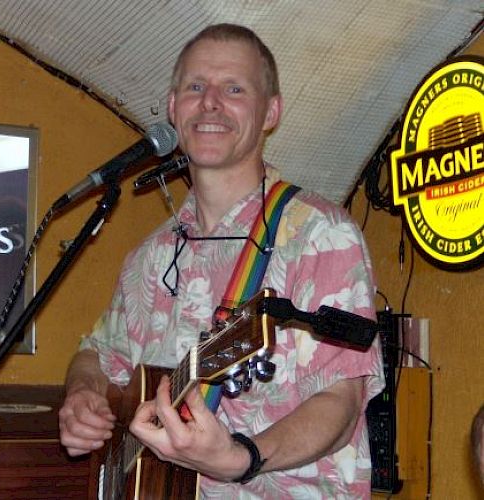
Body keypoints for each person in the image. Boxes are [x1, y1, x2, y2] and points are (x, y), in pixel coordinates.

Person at [59, 23, 384, 498]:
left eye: (234, 88)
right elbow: (95, 352)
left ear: (271, 111)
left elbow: (341, 401)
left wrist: (241, 457)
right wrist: (82, 393)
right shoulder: (149, 257)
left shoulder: (319, 234)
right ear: (173, 109)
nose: (210, 102)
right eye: (195, 87)